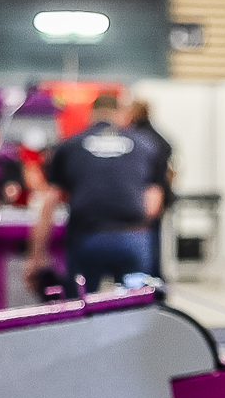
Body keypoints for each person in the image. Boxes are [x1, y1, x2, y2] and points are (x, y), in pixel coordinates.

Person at [29, 90, 164, 292]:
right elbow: (153, 204)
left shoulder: (70, 145)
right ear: (121, 114)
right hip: (132, 237)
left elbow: (50, 200)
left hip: (87, 237)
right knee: (137, 309)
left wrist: (36, 256)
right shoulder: (145, 144)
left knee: (80, 308)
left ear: (91, 115)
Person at [125, 97, 175, 279]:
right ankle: (155, 286)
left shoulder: (138, 137)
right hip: (158, 198)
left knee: (145, 246)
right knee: (152, 245)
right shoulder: (157, 136)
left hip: (144, 200)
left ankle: (147, 287)